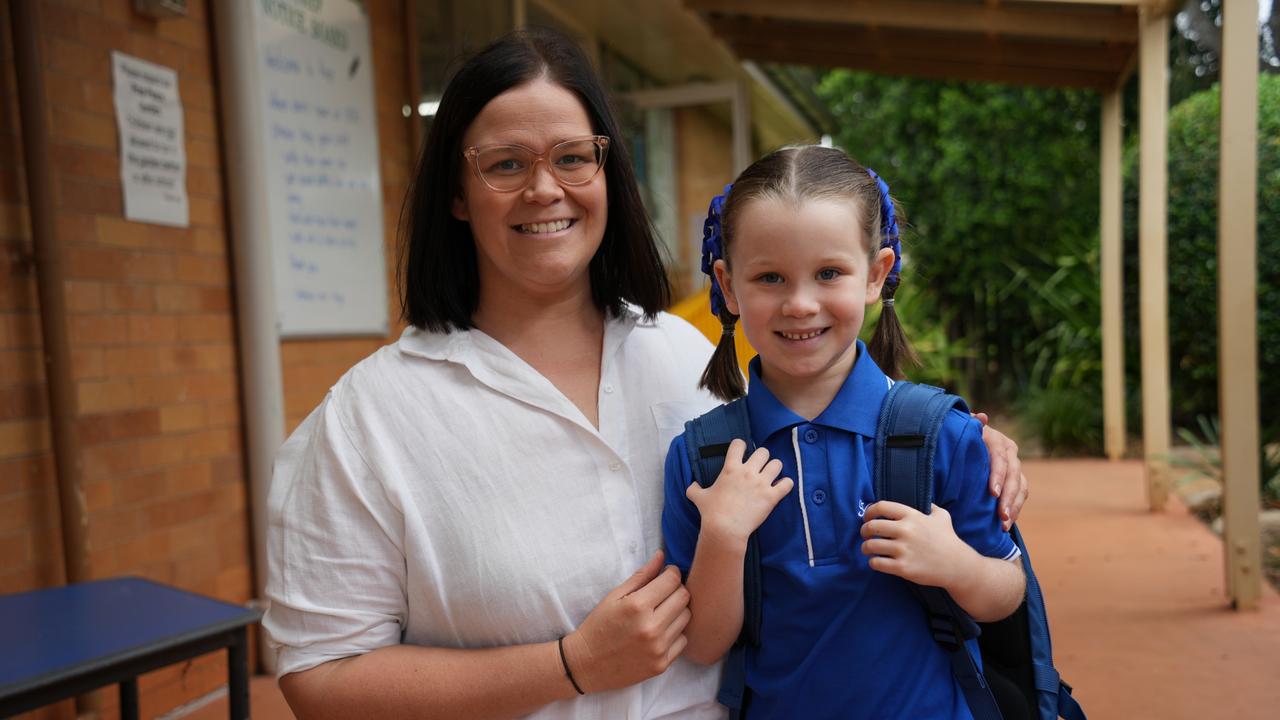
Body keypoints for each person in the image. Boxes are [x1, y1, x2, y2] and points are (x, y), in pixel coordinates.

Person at [263, 27, 1028, 720]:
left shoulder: (684, 357)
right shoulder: (373, 415)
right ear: (457, 195)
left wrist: (956, 441)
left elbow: (836, 412)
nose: (544, 189)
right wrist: (568, 666)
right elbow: (320, 679)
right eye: (504, 164)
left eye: (572, 157)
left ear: (607, 170)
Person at [662, 146, 1027, 719]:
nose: (800, 303)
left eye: (828, 273)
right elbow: (706, 645)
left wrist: (955, 564)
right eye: (770, 277)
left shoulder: (945, 438)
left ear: (876, 275)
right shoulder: (704, 460)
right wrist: (724, 536)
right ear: (728, 288)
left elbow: (1008, 592)